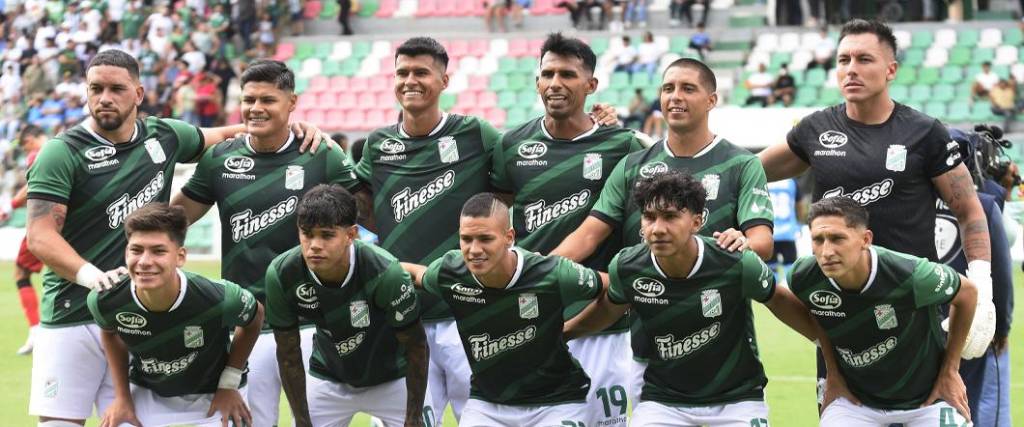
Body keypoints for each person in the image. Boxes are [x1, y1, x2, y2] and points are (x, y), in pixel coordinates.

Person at [24, 49, 326, 426]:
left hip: (139, 316)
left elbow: (230, 134)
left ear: (139, 93)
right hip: (72, 315)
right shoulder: (62, 152)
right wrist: (94, 278)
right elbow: (39, 236)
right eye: (95, 89)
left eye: (116, 89)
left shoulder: (164, 135)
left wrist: (298, 129)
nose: (104, 98)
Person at [356, 36, 617, 425]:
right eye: (402, 72)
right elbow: (352, 203)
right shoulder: (377, 145)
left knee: (485, 411)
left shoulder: (477, 134)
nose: (410, 80)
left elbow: (504, 201)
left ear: (444, 81)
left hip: (474, 313)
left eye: (421, 72)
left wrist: (601, 123)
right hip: (406, 312)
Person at [757, 19, 995, 370]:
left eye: (864, 59)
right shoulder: (815, 129)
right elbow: (748, 173)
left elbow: (969, 210)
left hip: (913, 307)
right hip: (839, 314)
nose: (851, 69)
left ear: (891, 70)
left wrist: (982, 286)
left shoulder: (924, 133)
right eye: (844, 60)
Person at [552, 57, 775, 404]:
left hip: (724, 345)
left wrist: (744, 242)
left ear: (711, 100)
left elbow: (762, 242)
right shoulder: (633, 166)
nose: (675, 97)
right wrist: (537, 269)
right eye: (668, 88)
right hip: (650, 350)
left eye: (688, 88)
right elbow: (589, 235)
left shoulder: (741, 164)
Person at [171, 59, 365, 427]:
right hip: (248, 325)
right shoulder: (220, 158)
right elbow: (173, 221)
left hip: (313, 323)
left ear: (292, 103)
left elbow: (368, 217)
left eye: (268, 100)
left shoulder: (320, 154)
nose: (256, 108)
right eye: (249, 100)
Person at [564, 170, 828, 425]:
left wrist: (827, 342)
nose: (657, 229)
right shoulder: (627, 266)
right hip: (664, 400)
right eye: (649, 217)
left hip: (737, 398)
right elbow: (608, 309)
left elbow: (779, 300)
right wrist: (563, 333)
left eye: (670, 217)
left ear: (697, 222)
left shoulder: (735, 262)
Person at [491, 33, 649, 427]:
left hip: (600, 320)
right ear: (537, 82)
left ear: (591, 85)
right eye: (547, 74)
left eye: (567, 74)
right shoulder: (512, 145)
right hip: (530, 316)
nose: (555, 83)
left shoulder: (622, 145)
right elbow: (495, 215)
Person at [404, 193, 602, 426]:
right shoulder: (450, 272)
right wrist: (374, 266)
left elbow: (615, 288)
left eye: (485, 239)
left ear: (509, 237)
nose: (474, 249)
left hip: (557, 401)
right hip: (488, 404)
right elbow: (414, 274)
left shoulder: (551, 273)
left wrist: (575, 328)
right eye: (466, 239)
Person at [792, 197, 976, 425]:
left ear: (865, 239)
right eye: (818, 240)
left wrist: (950, 370)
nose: (826, 251)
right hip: (857, 402)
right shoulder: (804, 277)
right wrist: (833, 373)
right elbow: (818, 315)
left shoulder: (910, 275)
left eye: (837, 238)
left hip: (928, 399)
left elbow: (967, 293)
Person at [266, 184, 429, 427]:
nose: (314, 245)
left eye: (327, 235)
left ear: (351, 235)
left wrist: (413, 417)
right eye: (307, 234)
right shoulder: (282, 274)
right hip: (328, 378)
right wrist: (301, 420)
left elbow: (417, 347)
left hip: (393, 379)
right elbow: (288, 354)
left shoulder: (385, 272)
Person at [86, 203, 264, 427]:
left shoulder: (219, 297)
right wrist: (122, 397)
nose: (144, 262)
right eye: (136, 250)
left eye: (158, 251)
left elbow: (255, 317)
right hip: (149, 390)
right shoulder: (105, 299)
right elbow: (110, 332)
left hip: (214, 392)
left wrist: (229, 383)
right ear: (126, 253)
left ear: (180, 256)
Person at [3, 125, 47, 355]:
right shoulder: (63, 148)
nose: (26, 151)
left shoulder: (38, 154)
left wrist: (9, 206)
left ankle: (37, 333)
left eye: (25, 146)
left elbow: (33, 187)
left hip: (44, 222)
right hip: (70, 221)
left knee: (21, 274)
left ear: (30, 139)